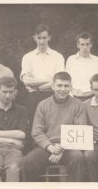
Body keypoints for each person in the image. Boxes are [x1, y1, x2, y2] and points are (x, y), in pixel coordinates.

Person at [21, 72, 86, 182]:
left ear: (71, 87)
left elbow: (80, 129)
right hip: (47, 147)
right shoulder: (43, 104)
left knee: (78, 158)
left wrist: (61, 149)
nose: (62, 89)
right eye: (59, 85)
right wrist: (49, 147)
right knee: (27, 162)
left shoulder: (78, 104)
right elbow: (37, 131)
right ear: (53, 86)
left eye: (66, 86)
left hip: (69, 148)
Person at [20, 23, 65, 152]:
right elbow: (26, 81)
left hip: (51, 95)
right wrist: (47, 80)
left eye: (44, 38)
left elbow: (57, 82)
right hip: (33, 97)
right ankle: (32, 165)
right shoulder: (28, 57)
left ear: (49, 38)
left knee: (52, 129)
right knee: (34, 129)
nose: (42, 41)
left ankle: (54, 162)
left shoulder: (58, 56)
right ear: (34, 37)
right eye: (39, 38)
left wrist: (38, 83)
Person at [0, 76, 28, 182]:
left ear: (15, 92)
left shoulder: (22, 110)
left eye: (10, 92)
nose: (7, 95)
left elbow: (22, 134)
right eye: (4, 92)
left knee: (13, 169)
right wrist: (11, 139)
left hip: (14, 150)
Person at [66, 32, 98, 101]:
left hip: (92, 98)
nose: (85, 47)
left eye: (87, 44)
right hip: (74, 97)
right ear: (78, 45)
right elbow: (67, 79)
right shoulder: (71, 59)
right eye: (82, 44)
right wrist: (71, 95)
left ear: (91, 44)